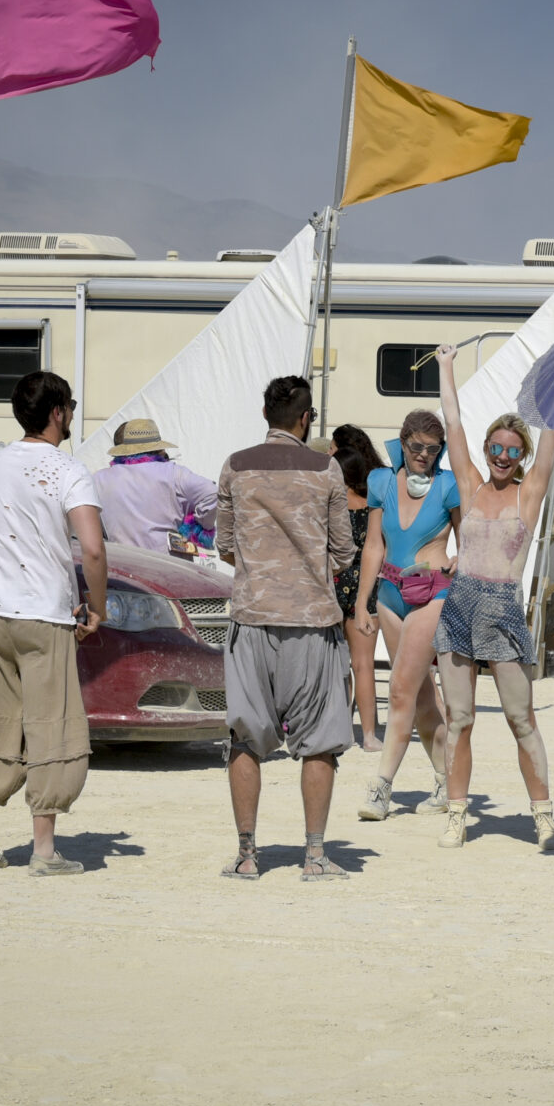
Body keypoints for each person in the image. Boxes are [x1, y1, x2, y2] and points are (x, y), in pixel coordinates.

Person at [214, 376, 358, 881]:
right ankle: (315, 857)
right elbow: (343, 552)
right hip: (312, 622)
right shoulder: (327, 469)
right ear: (305, 418)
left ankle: (247, 855)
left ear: (265, 414)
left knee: (245, 738)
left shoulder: (235, 466)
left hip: (251, 618)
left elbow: (225, 546)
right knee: (319, 741)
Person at [0, 371, 108, 876]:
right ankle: (44, 851)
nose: (70, 412)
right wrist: (97, 604)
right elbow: (91, 547)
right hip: (42, 612)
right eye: (68, 404)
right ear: (56, 412)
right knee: (53, 726)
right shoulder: (67, 469)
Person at [429, 345, 554, 850]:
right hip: (461, 605)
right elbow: (453, 420)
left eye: (513, 451)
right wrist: (446, 366)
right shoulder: (469, 485)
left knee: (520, 718)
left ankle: (544, 816)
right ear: (486, 450)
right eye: (496, 449)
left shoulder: (529, 494)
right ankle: (457, 813)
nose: (503, 458)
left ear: (522, 456)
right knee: (459, 718)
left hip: (504, 609)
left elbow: (551, 443)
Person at [351, 409, 460, 821]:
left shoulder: (448, 485)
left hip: (432, 594)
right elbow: (373, 547)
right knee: (421, 696)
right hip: (389, 594)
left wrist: (457, 558)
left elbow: (469, 541)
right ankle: (447, 780)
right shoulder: (380, 481)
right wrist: (362, 603)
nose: (423, 455)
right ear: (403, 441)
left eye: (432, 450)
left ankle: (380, 787)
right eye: (416, 447)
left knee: (399, 690)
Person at [330, 427, 386, 751]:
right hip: (367, 587)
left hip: (333, 585)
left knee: (336, 664)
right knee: (363, 665)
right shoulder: (375, 503)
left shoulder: (332, 503)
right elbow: (382, 547)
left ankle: (340, 729)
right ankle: (368, 736)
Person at [90, 418, 217, 556]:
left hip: (122, 562)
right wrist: (196, 526)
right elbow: (212, 493)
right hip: (167, 564)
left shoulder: (99, 479)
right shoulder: (173, 473)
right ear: (157, 447)